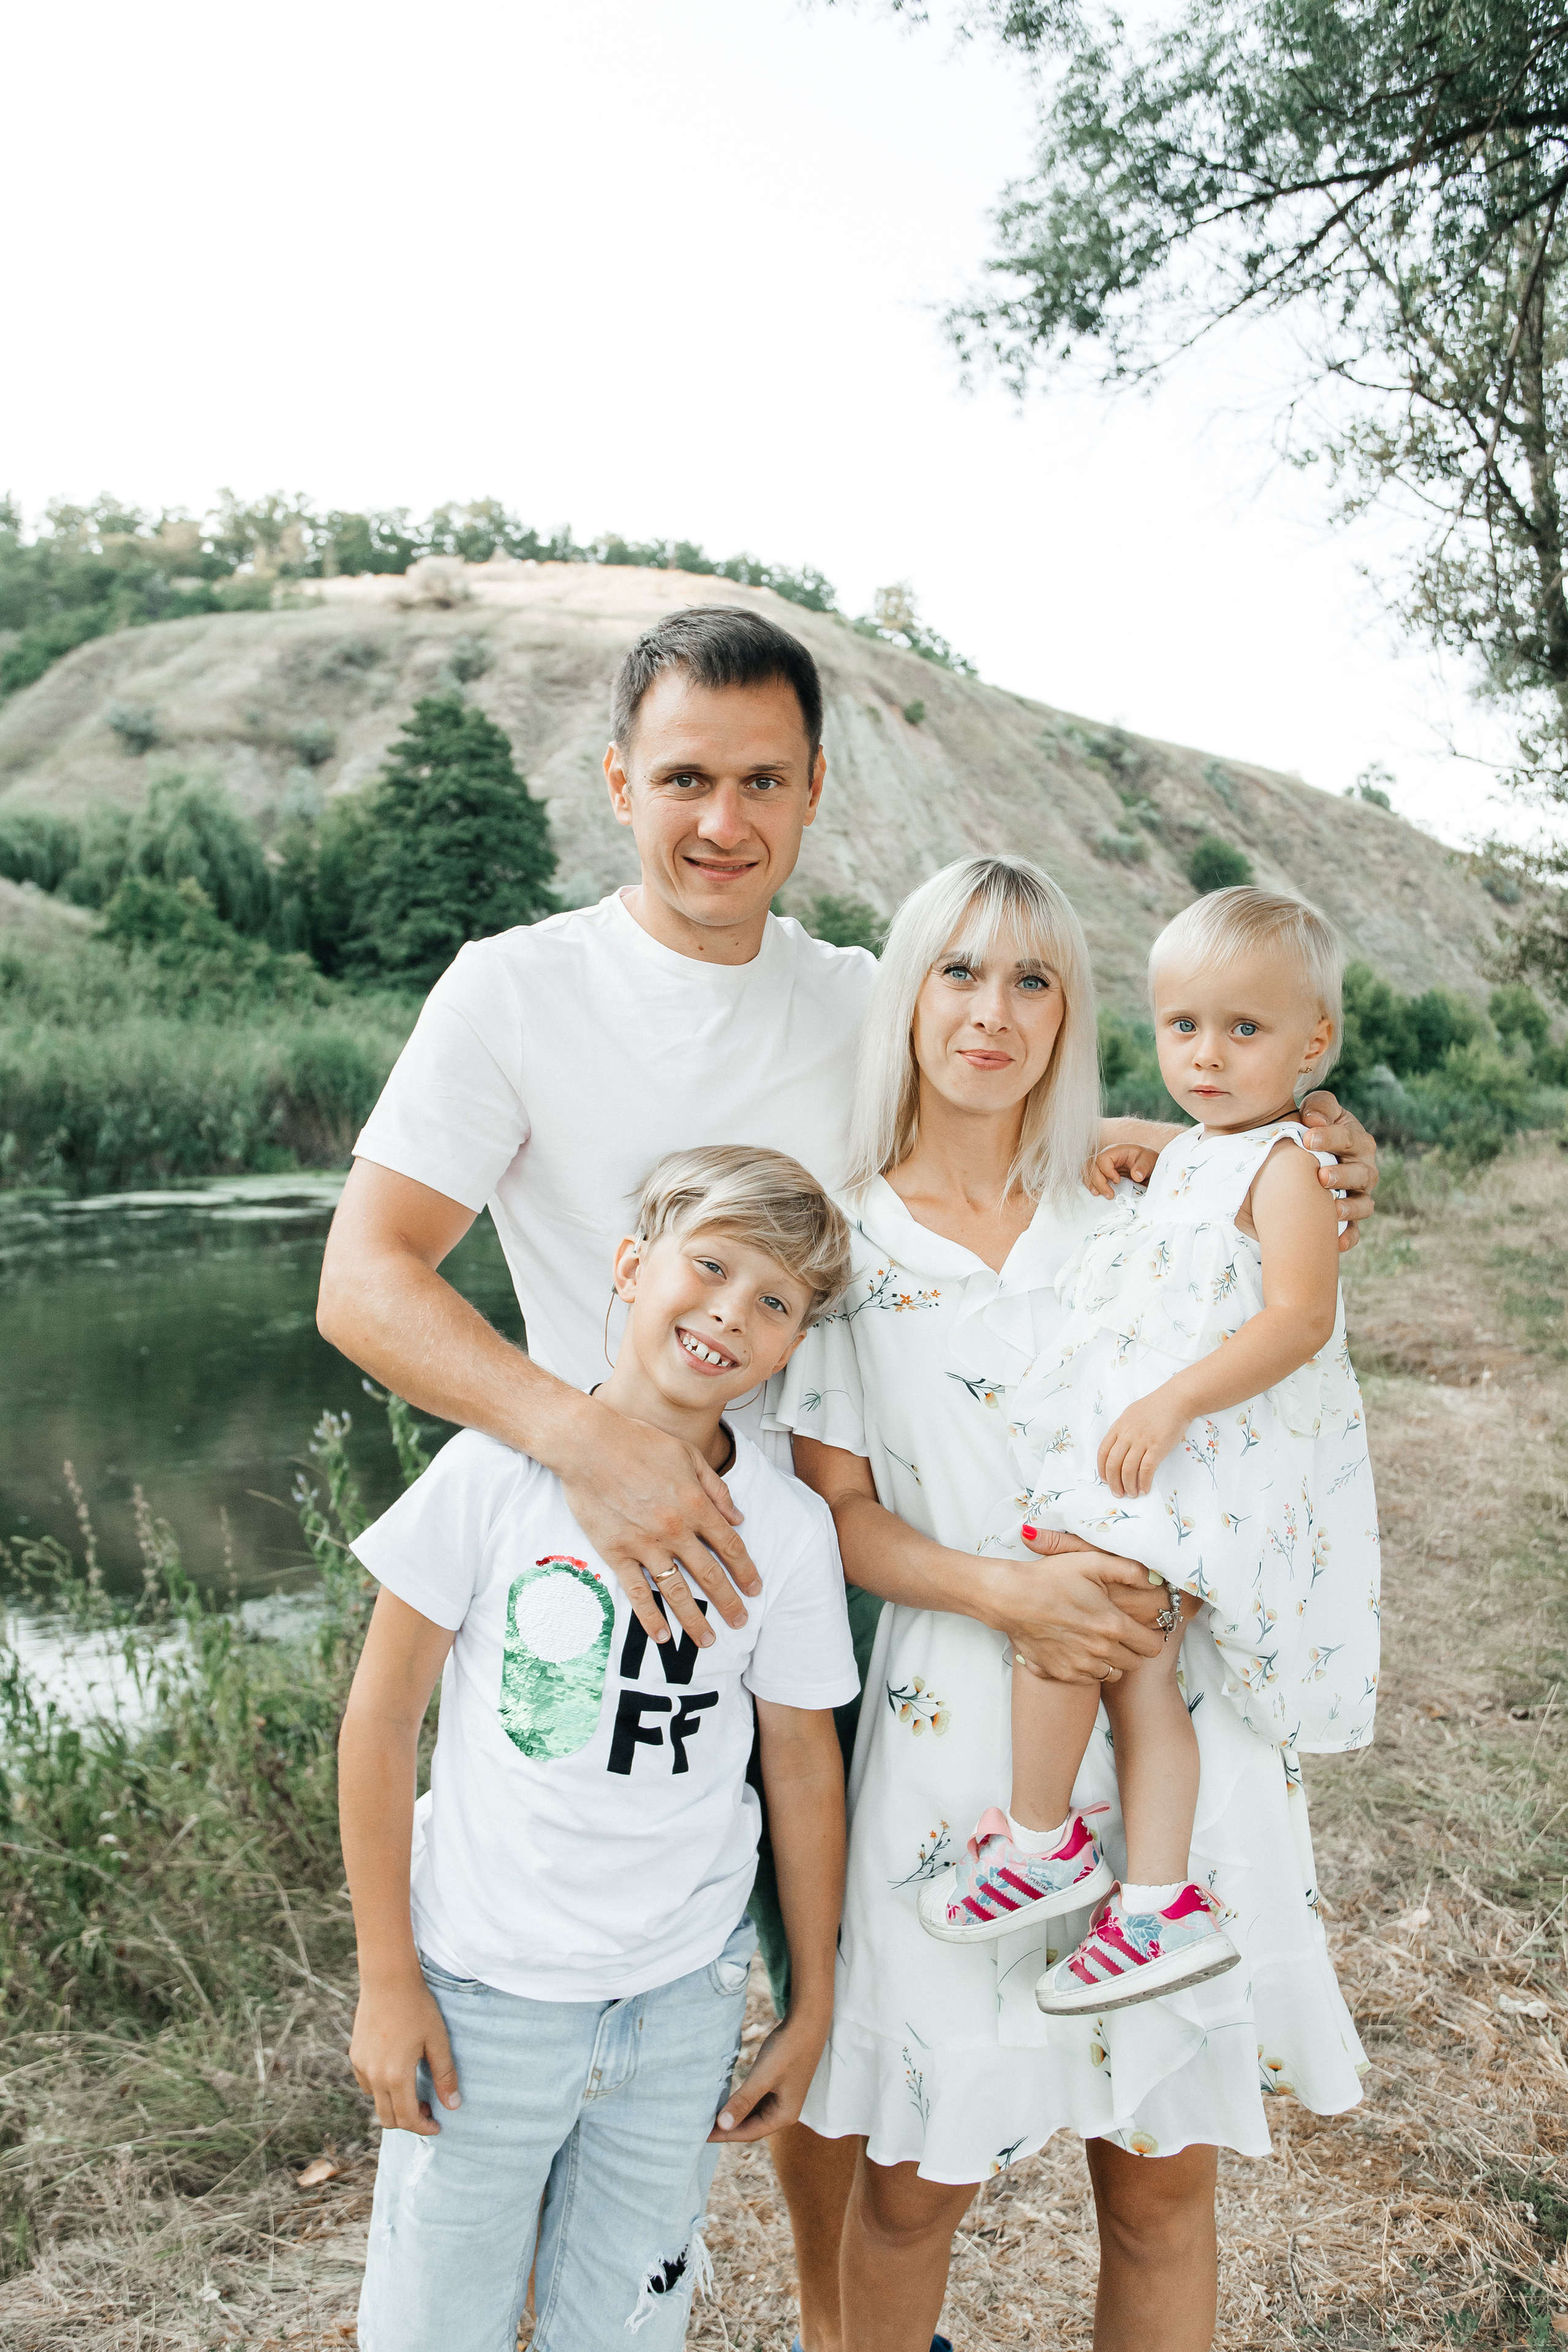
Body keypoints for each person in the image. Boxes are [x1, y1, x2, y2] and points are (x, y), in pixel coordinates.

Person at [316, 603, 1381, 2351]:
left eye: (759, 780)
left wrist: (1285, 1160)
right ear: (617, 782)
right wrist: (586, 1445)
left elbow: (1146, 1110)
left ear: (814, 793)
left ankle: (839, 2322)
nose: (719, 819)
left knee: (846, 2009)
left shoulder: (854, 994)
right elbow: (365, 1280)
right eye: (681, 778)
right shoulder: (515, 987)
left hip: (825, 1575)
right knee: (753, 2009)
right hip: (646, 1563)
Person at [780, 856, 1371, 2352]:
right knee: (914, 2188)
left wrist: (1325, 1155)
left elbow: (1281, 1257)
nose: (991, 1011)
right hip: (962, 1740)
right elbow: (835, 1517)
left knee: (1160, 2190)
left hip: (1162, 1711)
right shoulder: (841, 1242)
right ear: (905, 992)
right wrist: (1006, 1589)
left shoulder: (1139, 1196)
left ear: (1073, 1009)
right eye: (958, 972)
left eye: (1032, 978)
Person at [340, 1147, 861, 2351]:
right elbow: (378, 1722)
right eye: (711, 1266)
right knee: (432, 2330)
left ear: (792, 1346)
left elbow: (798, 1762)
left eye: (774, 1301)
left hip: (679, 2002)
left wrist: (811, 1996)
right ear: (631, 1269)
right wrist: (386, 1982)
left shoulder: (783, 1529)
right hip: (484, 1999)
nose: (732, 1311)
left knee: (623, 2326)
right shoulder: (491, 1477)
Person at [917, 886, 1379, 2028]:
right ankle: (1161, 1903)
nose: (1207, 1055)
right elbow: (1201, 1164)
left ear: (1313, 1042)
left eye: (1245, 1030)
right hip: (1159, 1469)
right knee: (1139, 1682)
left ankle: (1045, 1843)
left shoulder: (1289, 1171)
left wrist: (1172, 1403)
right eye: (1184, 1028)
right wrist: (1144, 1142)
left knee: (1064, 1630)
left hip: (1191, 1467)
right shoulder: (1207, 1157)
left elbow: (1298, 1321)